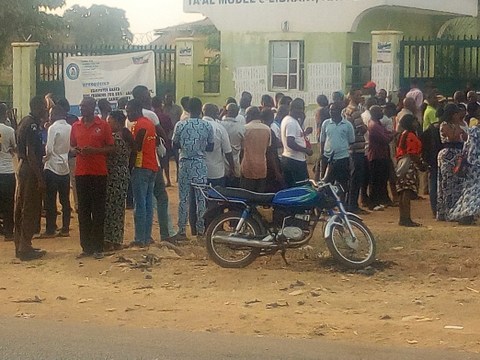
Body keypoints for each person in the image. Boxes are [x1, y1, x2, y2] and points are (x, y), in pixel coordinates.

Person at [70, 96, 114, 259]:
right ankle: (86, 247)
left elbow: (111, 147)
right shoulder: (76, 126)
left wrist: (94, 151)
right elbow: (72, 145)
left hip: (98, 173)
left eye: (84, 106)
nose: (81, 109)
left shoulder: (103, 126)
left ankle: (98, 246)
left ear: (92, 107)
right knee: (83, 210)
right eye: (81, 106)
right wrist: (76, 151)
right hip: (81, 173)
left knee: (98, 210)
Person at [132, 86, 176, 243]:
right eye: (147, 95)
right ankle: (166, 233)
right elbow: (162, 135)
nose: (150, 97)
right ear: (141, 97)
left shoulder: (132, 118)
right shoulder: (149, 115)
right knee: (158, 198)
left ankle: (145, 236)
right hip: (152, 163)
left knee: (144, 200)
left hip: (141, 164)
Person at [172, 97, 214, 239]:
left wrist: (185, 147)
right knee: (201, 198)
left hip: (185, 163)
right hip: (200, 164)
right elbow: (211, 146)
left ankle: (182, 230)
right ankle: (201, 230)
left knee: (183, 199)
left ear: (188, 109)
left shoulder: (180, 125)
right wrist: (199, 146)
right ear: (201, 109)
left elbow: (174, 144)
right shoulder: (207, 126)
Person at [14, 96, 48, 261]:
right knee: (30, 207)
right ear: (39, 107)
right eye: (45, 106)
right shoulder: (33, 125)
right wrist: (40, 178)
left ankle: (20, 244)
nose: (46, 110)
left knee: (20, 206)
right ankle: (25, 247)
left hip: (22, 167)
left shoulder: (23, 121)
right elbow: (31, 153)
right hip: (31, 170)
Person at [126, 99, 158, 247]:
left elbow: (137, 147)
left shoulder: (140, 125)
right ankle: (147, 236)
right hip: (152, 166)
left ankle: (140, 238)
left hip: (141, 166)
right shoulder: (149, 122)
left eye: (129, 111)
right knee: (148, 203)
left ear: (136, 110)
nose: (128, 114)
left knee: (140, 204)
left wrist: (129, 165)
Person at [104, 110, 134, 250]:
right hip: (123, 173)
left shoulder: (114, 138)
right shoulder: (127, 135)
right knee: (118, 209)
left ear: (116, 122)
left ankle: (108, 240)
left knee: (109, 208)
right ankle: (116, 240)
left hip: (113, 174)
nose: (107, 124)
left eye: (109, 121)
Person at [42, 105, 72, 238]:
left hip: (52, 166)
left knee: (50, 199)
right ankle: (65, 228)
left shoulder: (53, 128)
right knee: (65, 199)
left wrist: (43, 160)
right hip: (65, 166)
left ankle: (50, 228)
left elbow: (49, 149)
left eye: (50, 113)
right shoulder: (70, 127)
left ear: (54, 114)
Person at [437, 104, 468, 221]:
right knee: (447, 183)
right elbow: (452, 137)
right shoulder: (444, 125)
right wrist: (458, 130)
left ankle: (457, 210)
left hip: (458, 154)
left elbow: (465, 138)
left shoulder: (459, 125)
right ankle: (447, 211)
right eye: (456, 113)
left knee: (458, 183)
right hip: (448, 154)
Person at [320, 102, 355, 195]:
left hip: (342, 158)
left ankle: (342, 206)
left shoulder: (347, 125)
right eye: (330, 110)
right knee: (325, 184)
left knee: (343, 184)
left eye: (334, 109)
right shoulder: (325, 123)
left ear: (340, 111)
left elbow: (351, 141)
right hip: (327, 158)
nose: (331, 112)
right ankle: (327, 206)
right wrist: (321, 155)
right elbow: (322, 140)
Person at [396, 114, 424, 227]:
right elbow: (412, 153)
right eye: (414, 121)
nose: (416, 123)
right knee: (407, 191)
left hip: (402, 164)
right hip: (409, 165)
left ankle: (403, 218)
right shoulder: (411, 135)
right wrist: (421, 164)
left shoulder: (403, 134)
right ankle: (406, 218)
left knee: (403, 192)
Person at [449, 123, 480, 225]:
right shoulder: (476, 132)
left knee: (469, 191)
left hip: (470, 164)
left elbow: (466, 147)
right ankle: (467, 216)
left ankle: (465, 215)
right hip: (476, 165)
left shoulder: (471, 131)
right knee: (474, 192)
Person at [343, 89, 368, 213]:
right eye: (358, 94)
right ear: (352, 96)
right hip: (357, 148)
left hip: (350, 148)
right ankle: (353, 205)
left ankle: (349, 204)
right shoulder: (355, 111)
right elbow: (361, 128)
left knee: (352, 177)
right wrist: (365, 127)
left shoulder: (346, 110)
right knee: (356, 178)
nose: (360, 96)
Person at [281, 98, 313, 187]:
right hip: (294, 161)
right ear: (292, 109)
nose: (302, 111)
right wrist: (306, 150)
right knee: (302, 188)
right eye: (300, 108)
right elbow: (290, 142)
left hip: (292, 159)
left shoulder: (291, 120)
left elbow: (297, 136)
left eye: (302, 109)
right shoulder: (291, 122)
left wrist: (305, 132)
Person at [367, 106, 394, 210]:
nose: (382, 112)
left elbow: (386, 134)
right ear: (374, 113)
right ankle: (373, 203)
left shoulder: (377, 123)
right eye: (379, 111)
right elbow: (386, 139)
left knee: (382, 179)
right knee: (375, 180)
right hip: (376, 156)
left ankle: (380, 200)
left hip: (381, 155)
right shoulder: (374, 125)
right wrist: (393, 135)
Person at [202, 103, 234, 187]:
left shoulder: (196, 127)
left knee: (199, 198)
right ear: (216, 113)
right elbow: (228, 152)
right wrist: (232, 168)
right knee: (216, 197)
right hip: (216, 172)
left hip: (198, 171)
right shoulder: (220, 128)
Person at [240, 106, 271, 192]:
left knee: (246, 194)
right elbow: (268, 148)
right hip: (262, 166)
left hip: (247, 166)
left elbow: (241, 149)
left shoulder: (245, 128)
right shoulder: (267, 129)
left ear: (249, 116)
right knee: (259, 195)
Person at [57, 98, 79, 212]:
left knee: (63, 181)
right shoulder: (73, 119)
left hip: (61, 155)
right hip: (70, 154)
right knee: (73, 181)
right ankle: (76, 205)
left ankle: (68, 205)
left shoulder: (54, 121)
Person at [421, 107, 443, 217]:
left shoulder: (429, 130)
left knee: (433, 184)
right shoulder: (444, 129)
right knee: (440, 184)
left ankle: (435, 210)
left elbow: (423, 147)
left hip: (431, 159)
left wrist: (425, 160)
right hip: (442, 160)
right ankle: (441, 209)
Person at [0, 103, 16, 241]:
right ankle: (8, 232)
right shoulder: (9, 130)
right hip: (6, 171)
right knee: (8, 202)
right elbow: (15, 148)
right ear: (5, 114)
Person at [260, 108, 285, 193]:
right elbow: (271, 153)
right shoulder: (270, 132)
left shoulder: (259, 130)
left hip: (261, 164)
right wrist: (277, 171)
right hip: (271, 165)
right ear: (271, 119)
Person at [152, 95, 174, 187]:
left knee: (157, 163)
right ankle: (168, 180)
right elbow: (171, 128)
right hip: (165, 141)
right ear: (161, 105)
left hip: (153, 141)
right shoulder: (165, 116)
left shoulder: (151, 116)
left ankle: (158, 181)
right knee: (166, 162)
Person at [221, 103, 245, 187]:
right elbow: (243, 149)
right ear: (237, 113)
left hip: (221, 165)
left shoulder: (220, 126)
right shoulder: (241, 128)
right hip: (235, 164)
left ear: (226, 112)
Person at [313, 95, 330, 182]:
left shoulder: (318, 111)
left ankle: (317, 176)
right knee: (322, 158)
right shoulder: (324, 111)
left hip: (320, 135)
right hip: (325, 135)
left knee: (321, 157)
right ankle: (319, 178)